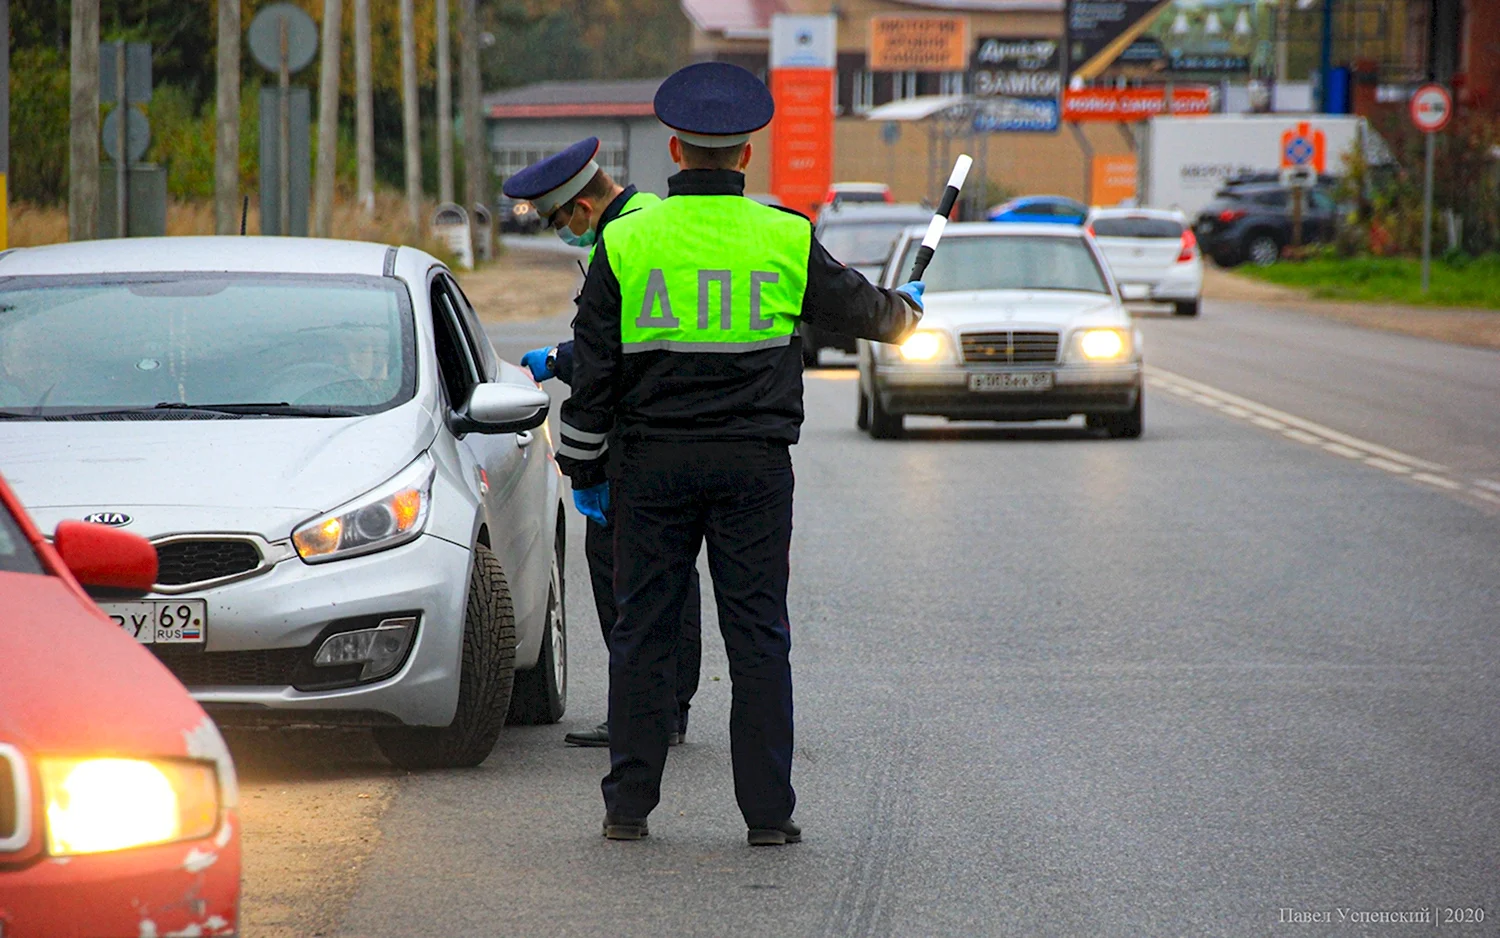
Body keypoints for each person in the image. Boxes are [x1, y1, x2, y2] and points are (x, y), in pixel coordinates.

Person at [556, 62, 925, 846]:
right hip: (755, 468)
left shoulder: (627, 238)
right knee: (757, 637)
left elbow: (594, 376)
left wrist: (587, 472)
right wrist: (906, 314)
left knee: (643, 634)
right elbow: (863, 310)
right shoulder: (785, 235)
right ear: (747, 156)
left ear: (675, 151)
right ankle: (768, 816)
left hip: (651, 467)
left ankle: (628, 807)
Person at [503, 139, 702, 749]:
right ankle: (669, 707)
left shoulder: (621, 240)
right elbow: (641, 332)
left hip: (632, 441)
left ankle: (641, 714)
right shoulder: (650, 223)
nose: (563, 231)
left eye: (561, 220)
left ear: (583, 207)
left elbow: (610, 357)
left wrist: (583, 469)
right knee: (673, 578)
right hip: (675, 432)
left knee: (628, 582)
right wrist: (562, 359)